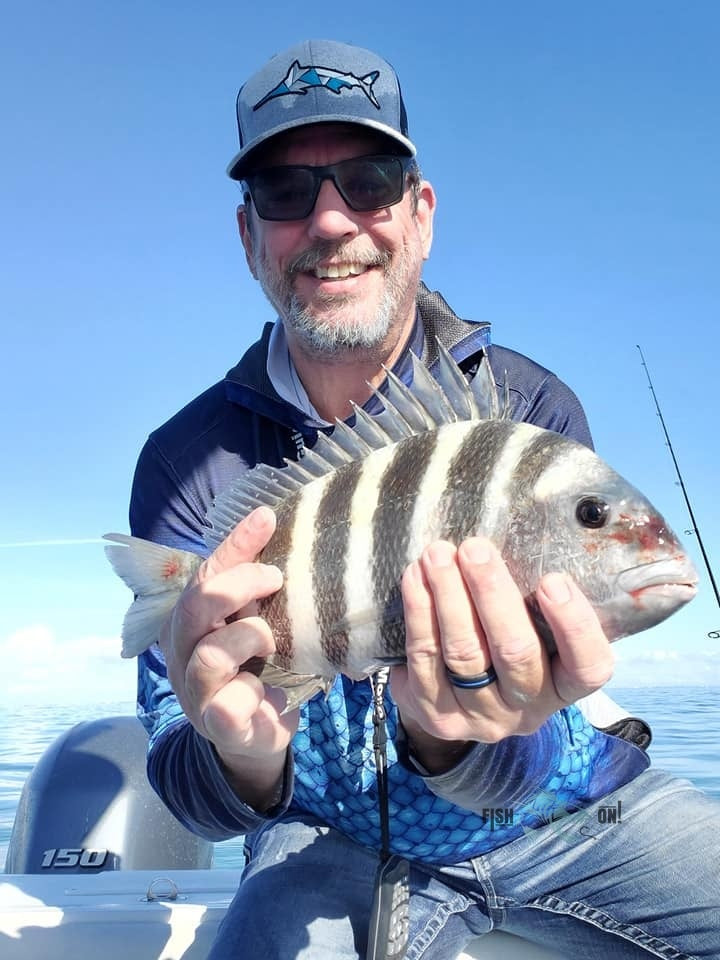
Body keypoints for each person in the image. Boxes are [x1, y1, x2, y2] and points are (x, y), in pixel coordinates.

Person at [129, 39, 720, 959]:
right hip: (327, 841)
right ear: (249, 236)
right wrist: (242, 756)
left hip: (563, 813)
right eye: (287, 194)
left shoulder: (530, 414)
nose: (331, 222)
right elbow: (186, 774)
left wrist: (462, 742)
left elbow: (533, 735)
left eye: (368, 180)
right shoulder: (184, 462)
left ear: (421, 212)